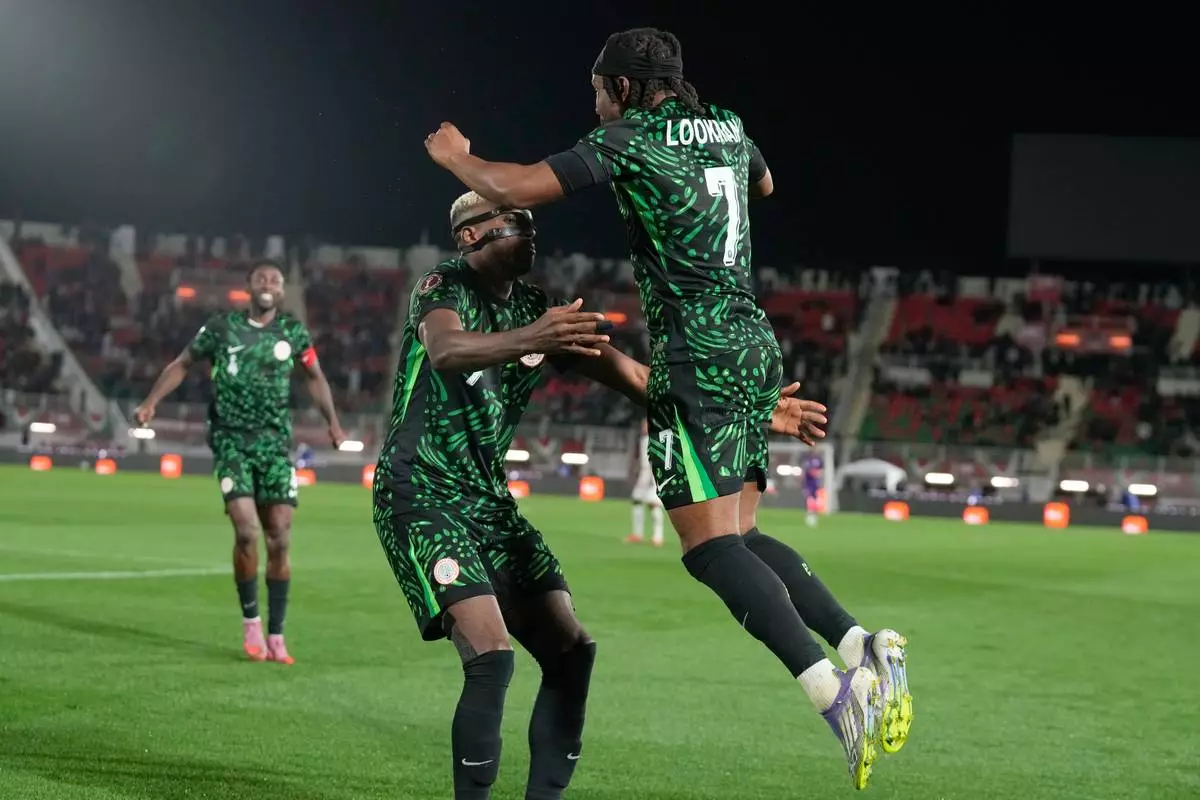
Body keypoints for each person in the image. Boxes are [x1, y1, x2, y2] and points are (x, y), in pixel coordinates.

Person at [423, 27, 911, 789]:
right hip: (753, 339)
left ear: (621, 87)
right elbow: (765, 186)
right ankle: (858, 644)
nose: (593, 102)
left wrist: (455, 156)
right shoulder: (728, 125)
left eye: (596, 90)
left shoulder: (626, 137)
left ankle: (832, 691)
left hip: (697, 351)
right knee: (742, 535)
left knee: (709, 550)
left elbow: (513, 189)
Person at [373, 191, 827, 799]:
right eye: (511, 224)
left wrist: (750, 410)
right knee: (492, 655)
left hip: (486, 498)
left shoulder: (540, 310)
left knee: (571, 649)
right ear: (469, 237)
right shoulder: (443, 285)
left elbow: (636, 378)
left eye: (530, 225)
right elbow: (446, 350)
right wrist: (539, 334)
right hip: (420, 490)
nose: (528, 234)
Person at [134, 259, 345, 665]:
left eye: (275, 280)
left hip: (275, 444)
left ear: (282, 292)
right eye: (261, 278)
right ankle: (252, 623)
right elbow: (182, 363)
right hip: (230, 439)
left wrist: (333, 423)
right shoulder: (221, 327)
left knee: (280, 535)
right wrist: (150, 402)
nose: (268, 283)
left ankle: (277, 635)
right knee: (247, 531)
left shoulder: (293, 332)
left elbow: (315, 377)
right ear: (248, 287)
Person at [625, 418, 664, 546]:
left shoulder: (658, 439)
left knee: (653, 504)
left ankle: (658, 537)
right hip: (644, 476)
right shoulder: (643, 439)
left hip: (654, 477)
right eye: (643, 425)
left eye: (645, 425)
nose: (643, 427)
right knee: (636, 500)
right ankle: (637, 534)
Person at [802, 452, 824, 528]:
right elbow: (806, 471)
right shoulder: (808, 459)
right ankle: (810, 513)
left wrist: (820, 478)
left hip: (815, 483)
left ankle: (814, 514)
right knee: (809, 498)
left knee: (815, 498)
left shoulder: (819, 460)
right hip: (808, 483)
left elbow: (821, 470)